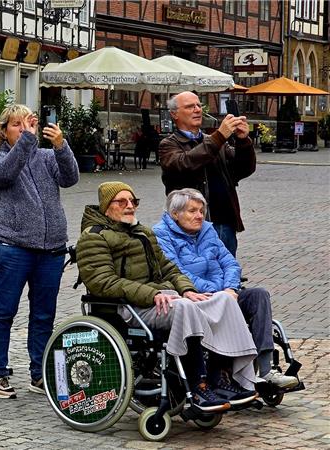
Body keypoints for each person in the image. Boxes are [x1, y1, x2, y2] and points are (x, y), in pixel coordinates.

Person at [76, 181, 259, 413]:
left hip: (165, 298)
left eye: (133, 201)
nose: (130, 206)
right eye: (122, 202)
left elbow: (169, 268)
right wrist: (152, 294)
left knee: (222, 301)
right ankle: (198, 386)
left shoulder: (142, 232)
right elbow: (103, 282)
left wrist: (187, 289)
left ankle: (223, 378)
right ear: (106, 206)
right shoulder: (93, 238)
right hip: (129, 307)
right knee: (186, 308)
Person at [152, 188, 299, 389]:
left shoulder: (207, 230)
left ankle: (266, 371)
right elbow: (177, 272)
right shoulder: (161, 235)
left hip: (224, 294)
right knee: (224, 300)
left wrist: (230, 288)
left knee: (259, 295)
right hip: (195, 297)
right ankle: (219, 373)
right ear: (175, 214)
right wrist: (218, 292)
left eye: (201, 211)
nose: (199, 216)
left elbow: (230, 263)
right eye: (192, 211)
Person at [0, 104, 79, 399]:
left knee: (43, 315)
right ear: (4, 131)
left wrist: (61, 145)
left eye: (29, 124)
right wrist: (26, 140)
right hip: (13, 247)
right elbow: (2, 177)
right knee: (2, 312)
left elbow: (70, 177)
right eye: (17, 125)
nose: (25, 130)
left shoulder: (46, 156)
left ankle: (39, 373)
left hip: (50, 249)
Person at [159, 91, 256, 256]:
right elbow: (185, 163)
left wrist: (243, 141)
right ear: (174, 114)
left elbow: (243, 169)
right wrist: (219, 136)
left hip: (224, 222)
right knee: (197, 273)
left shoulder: (214, 141)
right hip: (192, 225)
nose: (197, 110)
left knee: (226, 274)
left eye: (199, 105)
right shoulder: (169, 144)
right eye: (190, 106)